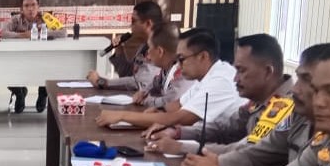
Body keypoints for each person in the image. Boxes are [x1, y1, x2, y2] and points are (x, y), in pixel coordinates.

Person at [176, 43, 330, 166]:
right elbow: (257, 153)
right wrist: (213, 164)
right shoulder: (296, 114)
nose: (295, 89)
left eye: (242, 70)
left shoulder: (287, 107)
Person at [148, 34, 295, 155]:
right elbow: (224, 128)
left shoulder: (284, 107)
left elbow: (247, 151)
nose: (235, 78)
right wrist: (178, 132)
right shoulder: (257, 100)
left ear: (268, 71)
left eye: (242, 70)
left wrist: (182, 147)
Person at [95, 29, 245, 130]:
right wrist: (159, 110)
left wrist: (122, 116)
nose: (178, 65)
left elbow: (180, 118)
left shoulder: (220, 80)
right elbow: (178, 104)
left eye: (182, 59)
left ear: (203, 57)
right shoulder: (206, 76)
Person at [2, 0, 66, 113]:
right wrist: (22, 35)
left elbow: (63, 32)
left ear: (38, 6)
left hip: (43, 59)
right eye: (26, 6)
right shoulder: (16, 19)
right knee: (2, 70)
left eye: (33, 5)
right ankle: (19, 92)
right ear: (21, 9)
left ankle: (43, 92)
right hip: (19, 59)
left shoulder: (46, 18)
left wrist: (44, 32)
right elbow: (2, 33)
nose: (30, 8)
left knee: (52, 67)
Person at [87, 1, 163, 91]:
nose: (131, 25)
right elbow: (128, 75)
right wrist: (119, 50)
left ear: (148, 24)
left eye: (133, 21)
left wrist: (101, 82)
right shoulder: (144, 46)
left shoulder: (160, 47)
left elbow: (140, 82)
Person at [131, 22, 194, 109]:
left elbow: (171, 101)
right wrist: (143, 93)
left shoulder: (184, 70)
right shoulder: (167, 69)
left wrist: (146, 101)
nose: (148, 52)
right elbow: (155, 84)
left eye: (150, 47)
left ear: (160, 51)